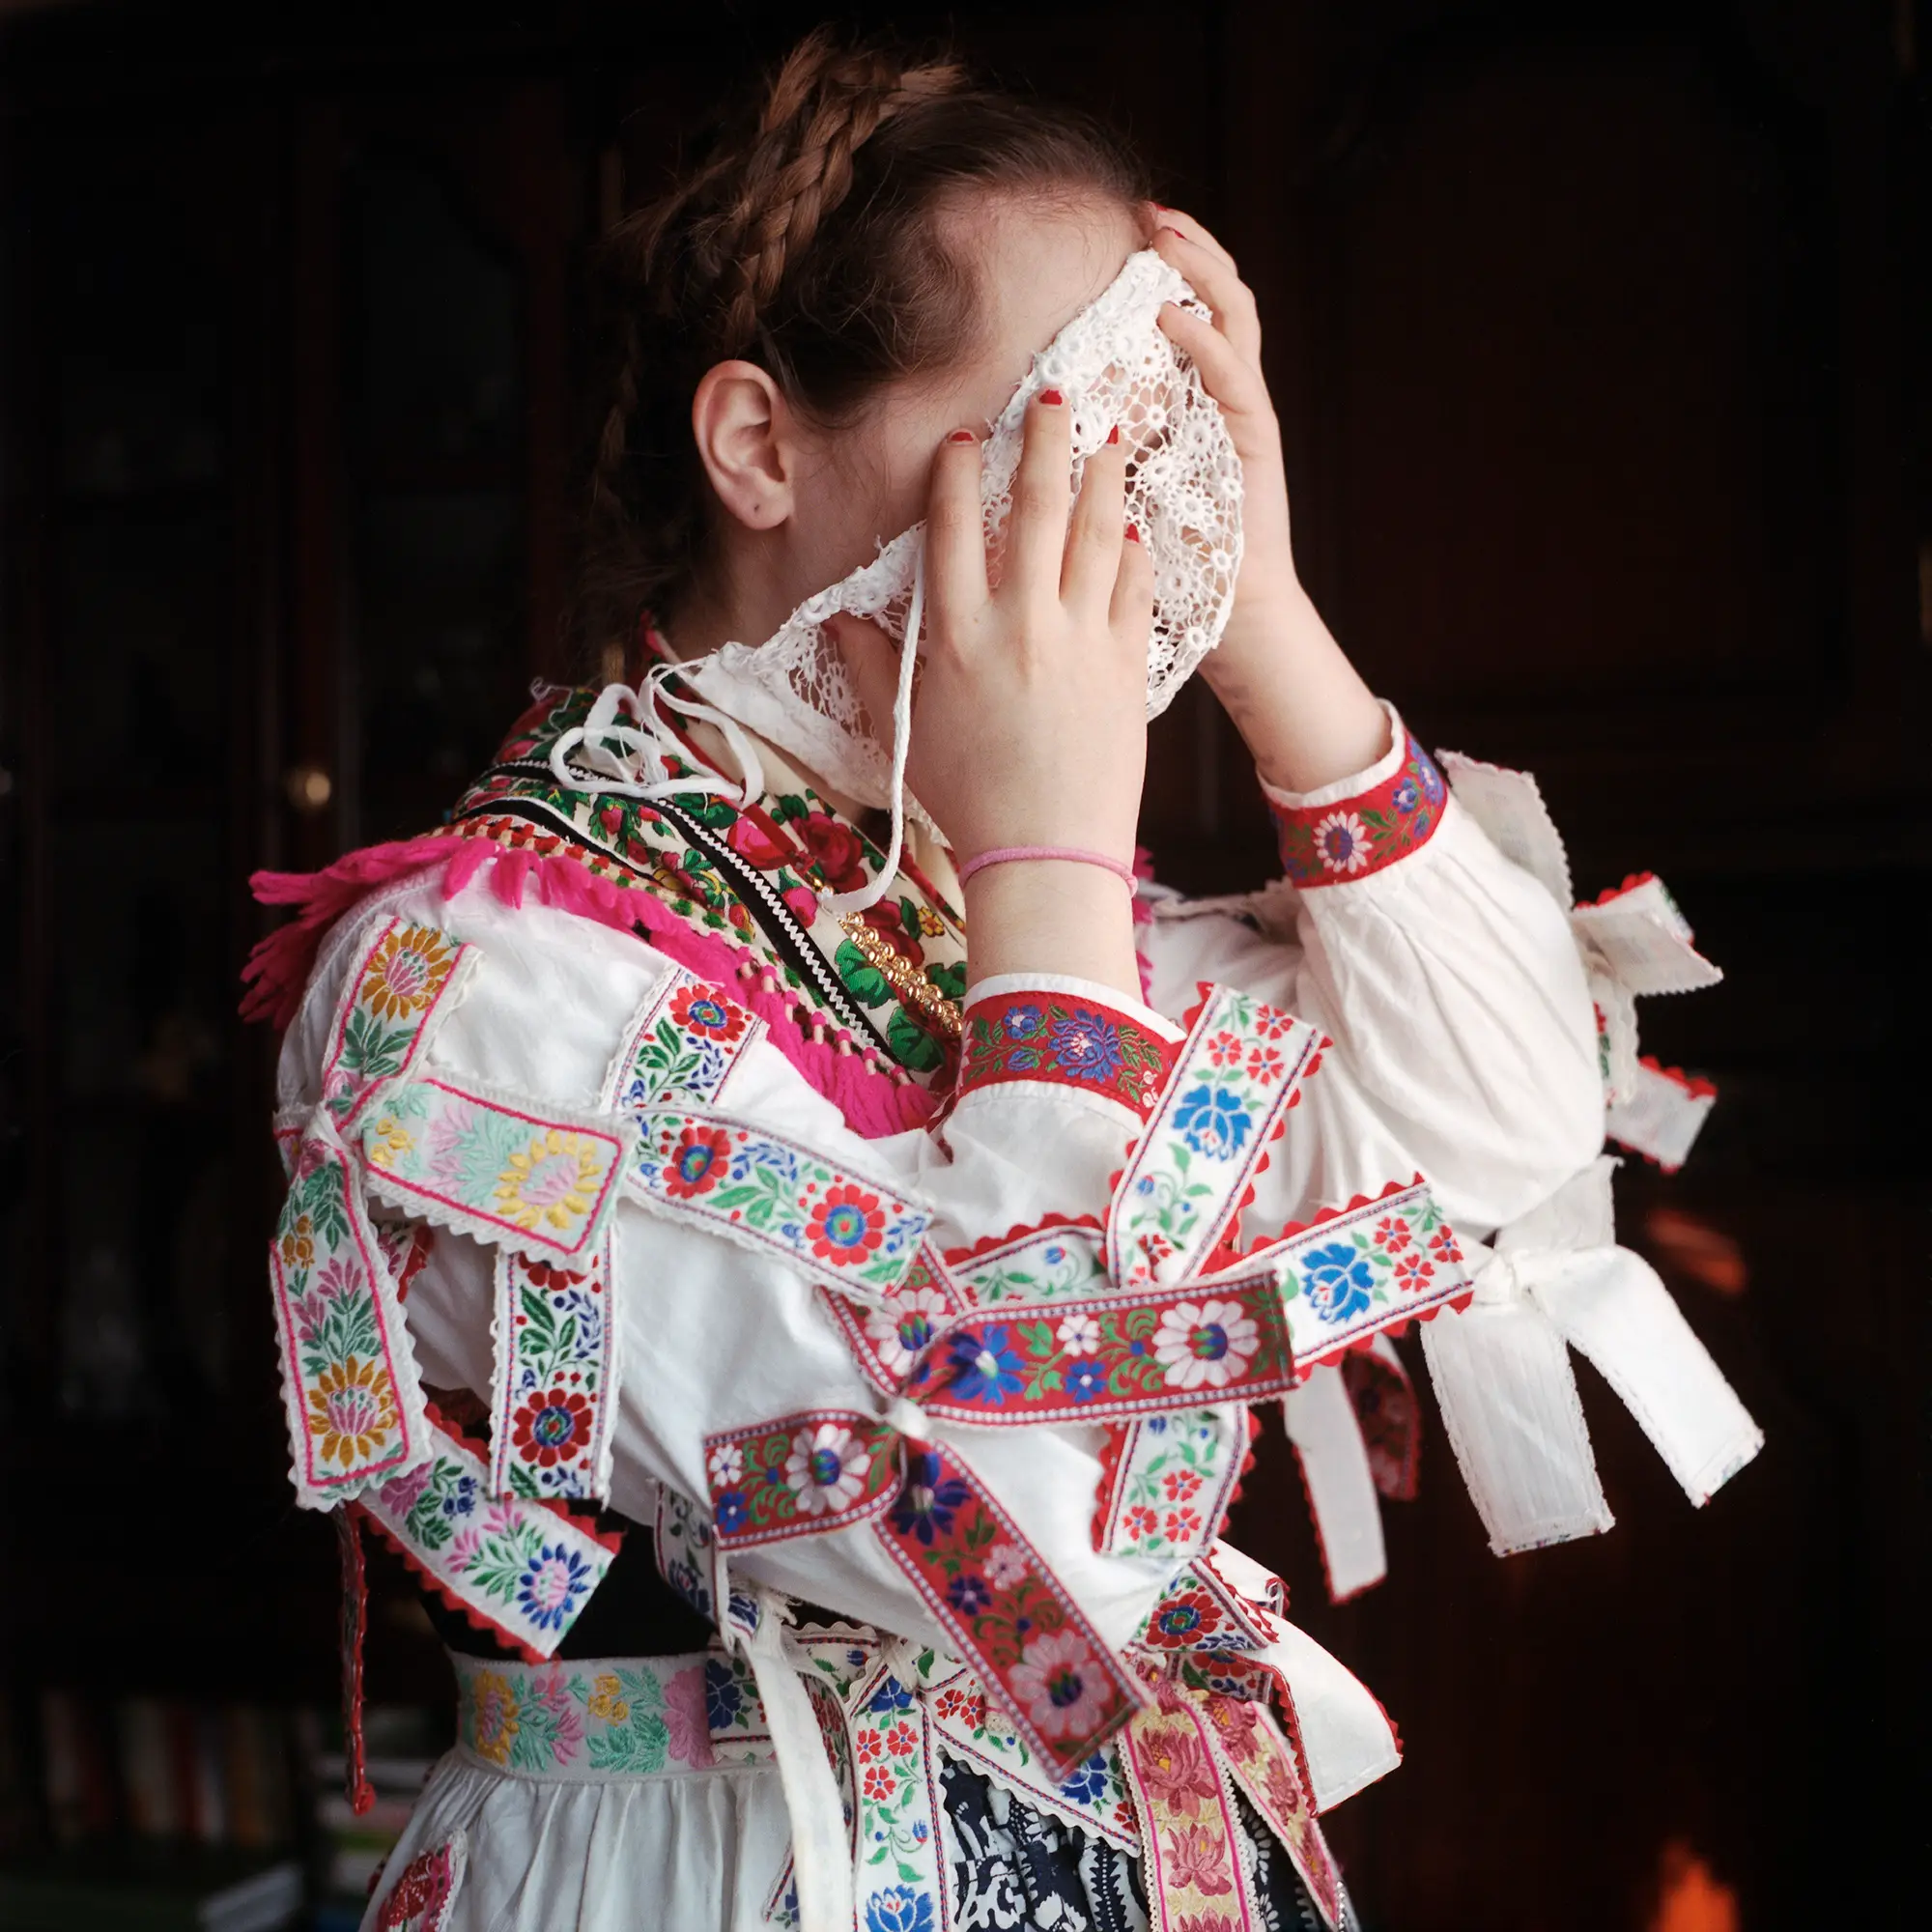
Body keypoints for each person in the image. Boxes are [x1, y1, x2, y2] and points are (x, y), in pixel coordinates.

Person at [246, 29, 1755, 1932]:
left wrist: (1267, 622)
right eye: (1061, 438)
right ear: (758, 447)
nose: (1120, 530)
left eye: (1161, 453)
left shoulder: (1027, 932)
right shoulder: (466, 989)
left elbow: (1508, 1136)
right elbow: (1040, 1543)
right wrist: (1042, 869)